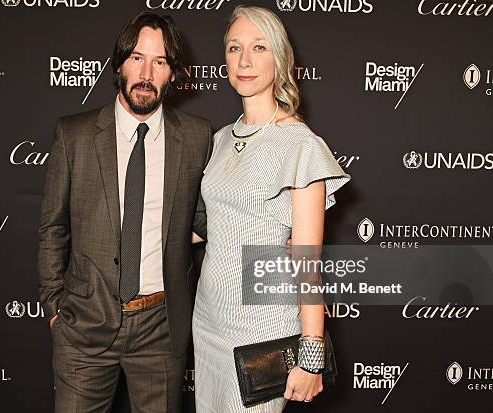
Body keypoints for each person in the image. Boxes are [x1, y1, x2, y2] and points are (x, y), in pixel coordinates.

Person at [38, 12, 212, 413]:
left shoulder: (197, 136)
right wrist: (54, 308)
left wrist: (277, 226)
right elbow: (52, 228)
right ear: (119, 64)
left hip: (161, 327)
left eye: (160, 62)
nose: (146, 72)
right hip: (83, 325)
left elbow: (207, 218)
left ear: (173, 74)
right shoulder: (74, 134)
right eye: (137, 58)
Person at [192, 5, 351, 412]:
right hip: (207, 321)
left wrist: (311, 355)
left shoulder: (299, 145)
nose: (244, 60)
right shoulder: (220, 139)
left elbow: (307, 259)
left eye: (258, 47)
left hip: (261, 330)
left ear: (279, 59)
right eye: (234, 48)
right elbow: (214, 225)